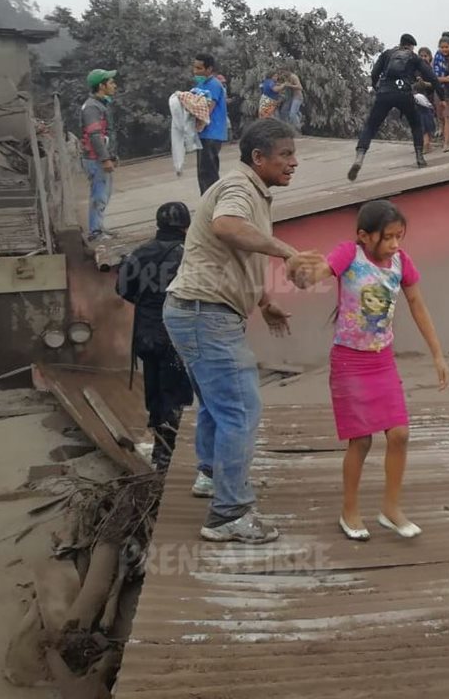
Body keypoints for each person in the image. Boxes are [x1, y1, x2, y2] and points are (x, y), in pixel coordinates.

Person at [163, 119, 317, 544]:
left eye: (293, 153)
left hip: (197, 311)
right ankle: (228, 514)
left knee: (217, 404)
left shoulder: (251, 191)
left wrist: (265, 303)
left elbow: (238, 253)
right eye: (285, 155)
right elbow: (227, 228)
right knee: (241, 410)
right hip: (204, 314)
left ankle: (212, 476)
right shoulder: (239, 189)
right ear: (258, 159)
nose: (294, 162)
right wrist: (287, 250)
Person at [293, 200, 449, 541]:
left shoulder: (401, 263)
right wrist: (301, 272)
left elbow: (417, 305)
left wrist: (437, 354)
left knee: (400, 434)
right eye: (389, 237)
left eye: (400, 237)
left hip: (382, 360)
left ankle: (391, 509)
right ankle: (350, 510)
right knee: (360, 441)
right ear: (364, 236)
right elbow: (318, 274)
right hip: (349, 361)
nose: (395, 244)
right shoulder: (350, 254)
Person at [116, 202, 194, 471]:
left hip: (146, 333)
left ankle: (160, 450)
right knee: (176, 393)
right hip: (176, 332)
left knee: (155, 392)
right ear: (186, 226)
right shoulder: (189, 253)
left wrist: (148, 303)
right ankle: (168, 454)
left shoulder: (139, 253)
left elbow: (123, 289)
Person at [352, 34, 446, 177]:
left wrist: (376, 86)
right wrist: (442, 96)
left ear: (401, 43)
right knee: (415, 124)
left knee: (371, 126)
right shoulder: (413, 57)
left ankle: (359, 157)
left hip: (385, 93)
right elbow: (431, 76)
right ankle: (420, 157)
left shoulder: (387, 54)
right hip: (404, 94)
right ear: (411, 46)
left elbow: (374, 72)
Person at [80, 68, 118, 242]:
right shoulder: (92, 108)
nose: (114, 85)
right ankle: (95, 232)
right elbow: (95, 135)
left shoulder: (100, 104)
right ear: (101, 86)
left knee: (104, 194)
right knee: (99, 195)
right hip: (95, 159)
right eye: (110, 82)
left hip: (99, 158)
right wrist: (105, 159)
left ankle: (99, 228)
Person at [192, 53, 229, 195]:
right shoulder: (201, 84)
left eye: (199, 68)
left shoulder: (213, 85)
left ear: (209, 69)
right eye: (194, 67)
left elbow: (207, 109)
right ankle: (207, 203)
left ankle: (213, 203)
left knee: (209, 172)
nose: (195, 71)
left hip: (212, 133)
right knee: (203, 172)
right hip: (203, 133)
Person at [433, 35, 449, 152]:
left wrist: (447, 79)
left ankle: (447, 142)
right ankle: (445, 140)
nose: (444, 49)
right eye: (442, 47)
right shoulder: (437, 57)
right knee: (441, 117)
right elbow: (433, 77)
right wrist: (445, 79)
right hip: (439, 90)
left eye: (446, 47)